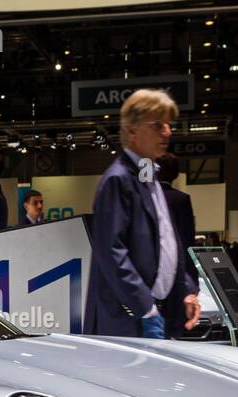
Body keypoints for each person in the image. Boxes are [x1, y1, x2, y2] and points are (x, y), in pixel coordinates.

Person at [82, 89, 199, 338]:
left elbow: (168, 243)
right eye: (157, 125)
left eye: (168, 125)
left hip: (158, 313)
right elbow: (111, 252)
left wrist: (186, 289)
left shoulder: (149, 176)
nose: (167, 132)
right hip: (132, 319)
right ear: (132, 130)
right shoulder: (118, 180)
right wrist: (145, 308)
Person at [153, 152, 200, 340]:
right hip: (174, 273)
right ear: (176, 175)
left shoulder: (147, 198)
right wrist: (192, 284)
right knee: (173, 329)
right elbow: (187, 242)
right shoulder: (181, 199)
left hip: (149, 273)